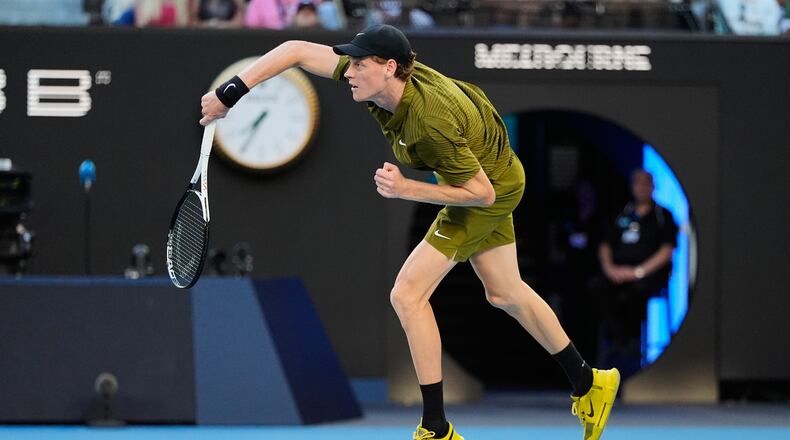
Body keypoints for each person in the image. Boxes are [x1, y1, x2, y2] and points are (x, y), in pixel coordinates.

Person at [199, 24, 619, 440]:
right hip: (494, 167)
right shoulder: (381, 82)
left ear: (389, 67)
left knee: (408, 294)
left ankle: (436, 427)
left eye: (359, 64)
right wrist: (230, 92)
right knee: (505, 292)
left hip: (487, 186)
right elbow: (294, 49)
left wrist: (406, 189)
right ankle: (589, 383)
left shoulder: (427, 122)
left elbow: (482, 194)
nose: (348, 71)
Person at [597, 169, 677, 374]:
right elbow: (605, 245)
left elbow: (667, 251)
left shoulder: (663, 216)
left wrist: (638, 272)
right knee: (597, 287)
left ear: (653, 187)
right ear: (632, 187)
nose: (641, 188)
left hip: (648, 274)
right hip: (618, 272)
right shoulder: (622, 213)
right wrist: (610, 269)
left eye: (646, 184)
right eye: (637, 184)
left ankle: (630, 341)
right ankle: (618, 338)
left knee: (638, 291)